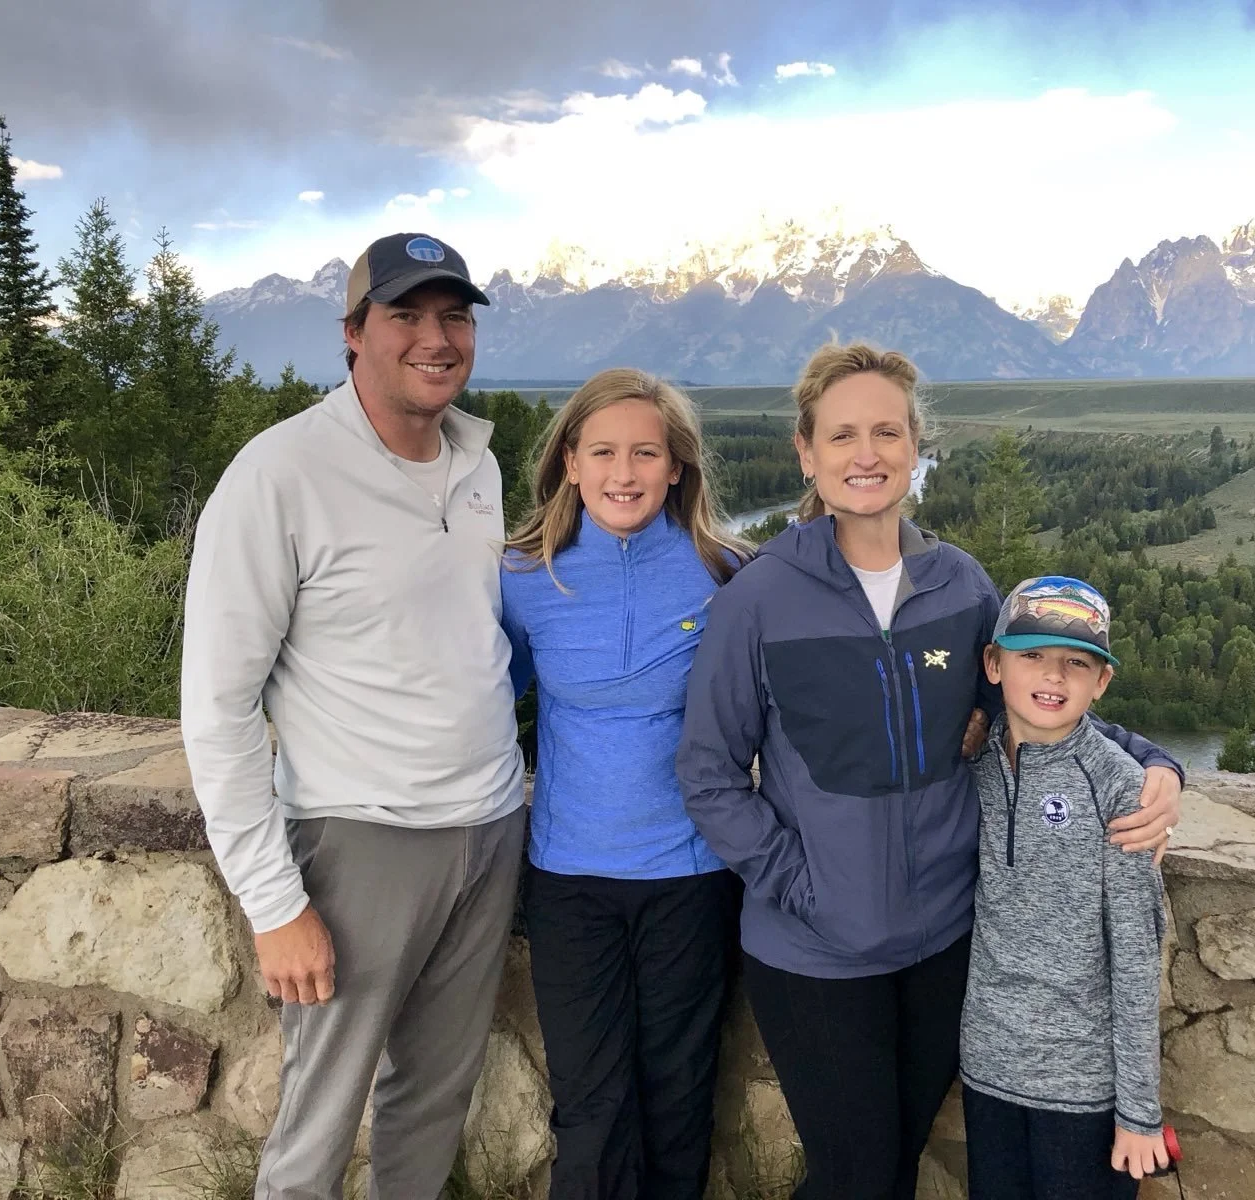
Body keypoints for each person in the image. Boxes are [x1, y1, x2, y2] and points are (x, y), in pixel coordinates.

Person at [675, 341, 1182, 1200]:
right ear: (807, 452)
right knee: (860, 1177)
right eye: (841, 436)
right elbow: (708, 772)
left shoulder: (961, 587)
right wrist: (798, 884)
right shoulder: (759, 598)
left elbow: (1042, 700)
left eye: (885, 432)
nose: (864, 455)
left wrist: (1157, 763)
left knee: (887, 1167)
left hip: (945, 944)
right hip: (815, 953)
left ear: (916, 447)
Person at [181, 232, 526, 1199]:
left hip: (491, 828)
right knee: (319, 1118)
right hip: (360, 840)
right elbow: (216, 705)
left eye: (454, 315)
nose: (436, 336)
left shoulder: (476, 462)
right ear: (352, 333)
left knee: (434, 1099)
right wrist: (274, 901)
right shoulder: (279, 474)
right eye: (406, 314)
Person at [499, 369, 751, 1200]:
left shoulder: (728, 575)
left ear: (677, 466)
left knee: (678, 1101)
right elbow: (474, 701)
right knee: (592, 1108)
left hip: (691, 878)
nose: (624, 471)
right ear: (569, 462)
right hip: (571, 880)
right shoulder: (522, 578)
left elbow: (813, 691)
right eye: (603, 451)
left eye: (647, 452)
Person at [960, 575, 1168, 1200]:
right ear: (993, 666)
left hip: (1083, 1089)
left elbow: (1135, 957)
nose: (1052, 679)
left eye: (1075, 663)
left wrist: (1138, 1112)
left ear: (1101, 682)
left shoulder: (1120, 790)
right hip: (987, 1068)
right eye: (1032, 657)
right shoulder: (974, 761)